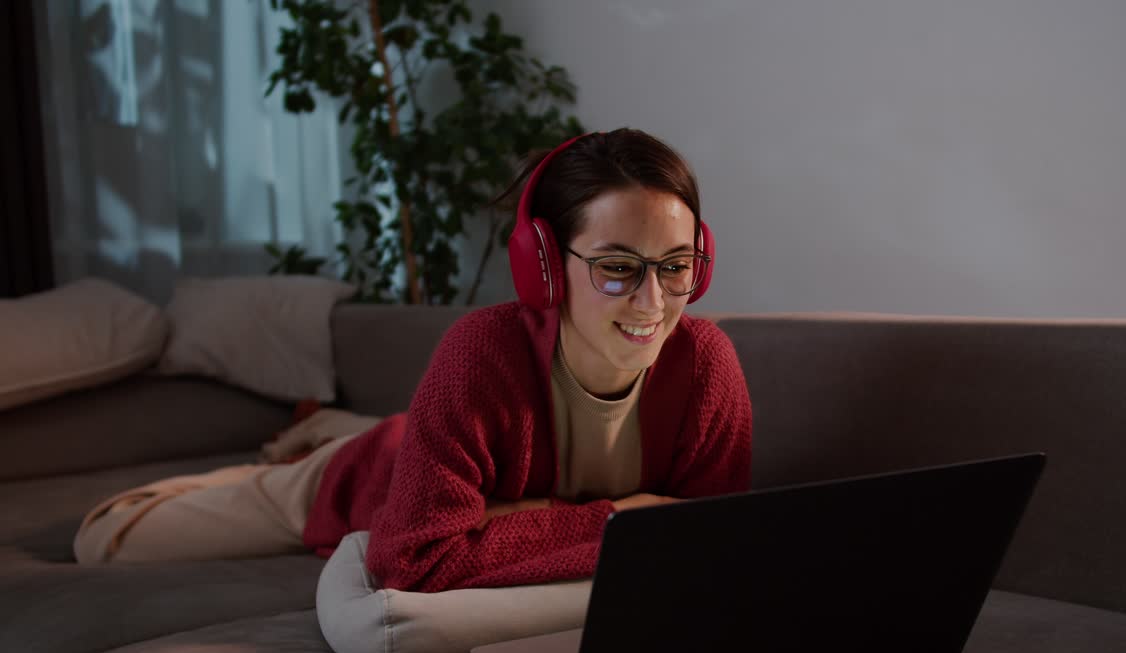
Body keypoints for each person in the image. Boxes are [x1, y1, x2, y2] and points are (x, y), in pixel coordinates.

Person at [75, 128, 753, 594]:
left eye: (677, 267)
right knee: (108, 538)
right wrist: (620, 519)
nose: (654, 300)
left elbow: (709, 545)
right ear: (543, 267)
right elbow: (416, 559)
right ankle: (322, 446)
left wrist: (514, 517)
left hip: (442, 460)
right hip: (373, 475)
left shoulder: (706, 365)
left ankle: (332, 422)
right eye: (616, 268)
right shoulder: (480, 353)